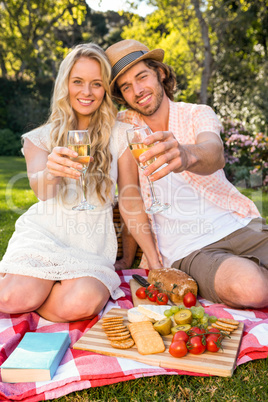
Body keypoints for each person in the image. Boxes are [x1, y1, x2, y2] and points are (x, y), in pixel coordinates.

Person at [105, 39, 268, 309]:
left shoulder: (197, 114)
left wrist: (186, 155)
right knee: (252, 288)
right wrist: (154, 263)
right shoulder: (124, 128)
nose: (137, 91)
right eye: (126, 86)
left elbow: (214, 154)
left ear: (160, 72)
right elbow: (130, 197)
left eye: (142, 76)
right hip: (191, 248)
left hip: (240, 225)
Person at [0, 43, 143, 322]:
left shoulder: (121, 135)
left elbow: (130, 198)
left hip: (91, 242)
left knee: (81, 303)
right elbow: (42, 191)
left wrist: (136, 258)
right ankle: (39, 288)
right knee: (11, 298)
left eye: (96, 84)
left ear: (105, 90)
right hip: (45, 233)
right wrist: (52, 171)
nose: (86, 92)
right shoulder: (38, 139)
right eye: (78, 82)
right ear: (65, 84)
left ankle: (42, 291)